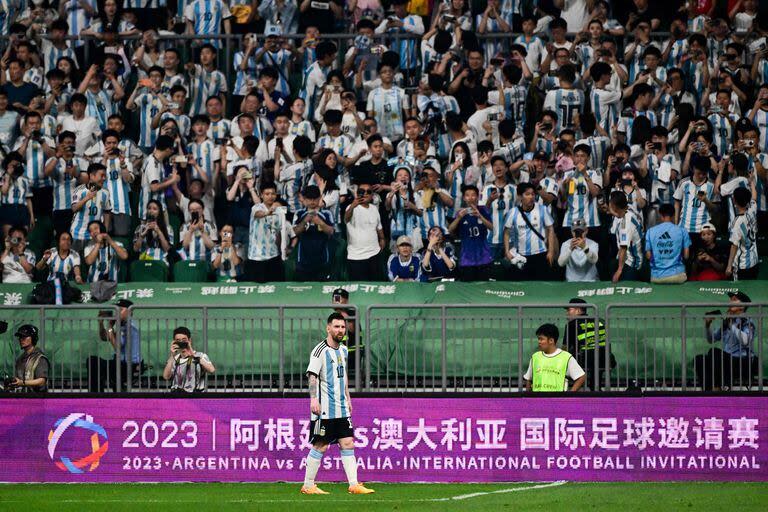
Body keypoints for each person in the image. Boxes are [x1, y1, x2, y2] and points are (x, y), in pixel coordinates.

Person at [300, 312, 374, 495]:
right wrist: (313, 399)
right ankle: (308, 485)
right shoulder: (319, 351)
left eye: (342, 327)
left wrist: (348, 397)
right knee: (321, 445)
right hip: (324, 408)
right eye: (336, 326)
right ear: (328, 328)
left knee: (348, 443)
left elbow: (343, 375)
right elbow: (312, 376)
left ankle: (354, 484)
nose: (340, 330)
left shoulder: (342, 350)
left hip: (341, 407)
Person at [694, 291, 757, 390]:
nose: (730, 302)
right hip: (727, 361)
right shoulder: (726, 321)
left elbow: (745, 341)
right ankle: (708, 391)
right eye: (730, 299)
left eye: (734, 300)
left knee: (714, 352)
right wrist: (707, 325)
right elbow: (712, 339)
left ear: (742, 306)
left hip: (742, 362)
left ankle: (721, 387)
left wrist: (731, 325)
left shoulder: (747, 321)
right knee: (699, 359)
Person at [88, 299, 142, 392]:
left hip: (128, 365)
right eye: (116, 310)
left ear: (130, 311)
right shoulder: (122, 324)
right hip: (120, 362)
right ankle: (101, 393)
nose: (117, 312)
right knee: (94, 362)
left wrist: (109, 327)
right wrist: (101, 323)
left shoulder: (129, 326)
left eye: (120, 310)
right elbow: (105, 338)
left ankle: (96, 396)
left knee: (94, 362)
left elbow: (117, 347)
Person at [562, 298, 614, 391]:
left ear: (578, 310)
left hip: (585, 360)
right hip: (606, 359)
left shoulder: (572, 324)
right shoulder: (600, 321)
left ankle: (573, 389)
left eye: (569, 310)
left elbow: (565, 348)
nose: (567, 313)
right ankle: (595, 387)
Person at [448, 184, 493, 281]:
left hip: (484, 258)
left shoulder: (483, 210)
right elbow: (450, 230)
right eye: (467, 195)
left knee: (483, 289)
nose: (470, 198)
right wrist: (459, 218)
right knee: (468, 291)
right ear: (464, 198)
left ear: (477, 197)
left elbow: (492, 227)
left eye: (473, 195)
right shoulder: (460, 213)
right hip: (467, 260)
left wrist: (480, 216)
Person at [523, 323, 585, 393]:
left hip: (557, 401)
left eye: (541, 339)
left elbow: (581, 377)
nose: (539, 342)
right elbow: (529, 379)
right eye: (538, 339)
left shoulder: (566, 357)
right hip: (537, 400)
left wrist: (569, 395)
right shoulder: (535, 357)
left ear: (551, 341)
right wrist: (528, 397)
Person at [345, 181, 385, 281]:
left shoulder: (374, 208)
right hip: (356, 256)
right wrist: (353, 206)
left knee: (375, 286)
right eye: (361, 191)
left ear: (372, 195)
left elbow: (378, 226)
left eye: (368, 191)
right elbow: (346, 219)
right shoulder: (351, 208)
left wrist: (382, 239)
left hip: (374, 254)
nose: (365, 193)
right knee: (359, 289)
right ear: (357, 193)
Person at [644, 203, 691, 284]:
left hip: (657, 277)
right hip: (678, 276)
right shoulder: (682, 231)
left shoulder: (650, 231)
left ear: (660, 215)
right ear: (673, 215)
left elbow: (648, 256)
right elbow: (686, 256)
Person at [162, 327, 216, 393]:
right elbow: (166, 376)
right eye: (178, 341)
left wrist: (192, 355)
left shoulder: (200, 356)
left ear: (189, 340)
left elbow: (212, 370)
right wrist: (172, 355)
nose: (181, 343)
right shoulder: (174, 358)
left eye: (184, 340)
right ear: (174, 342)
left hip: (195, 396)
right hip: (177, 396)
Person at [726, 187, 758, 281]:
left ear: (734, 201)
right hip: (754, 261)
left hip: (742, 265)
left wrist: (729, 266)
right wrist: (752, 182)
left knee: (740, 293)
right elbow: (754, 198)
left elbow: (734, 246)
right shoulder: (752, 209)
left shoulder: (737, 222)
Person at [11, 324, 49, 393]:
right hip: (23, 399)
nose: (21, 339)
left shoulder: (40, 358)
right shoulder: (20, 359)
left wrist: (22, 383)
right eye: (20, 337)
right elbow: (19, 380)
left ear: (33, 338)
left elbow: (42, 381)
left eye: (24, 336)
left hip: (37, 399)